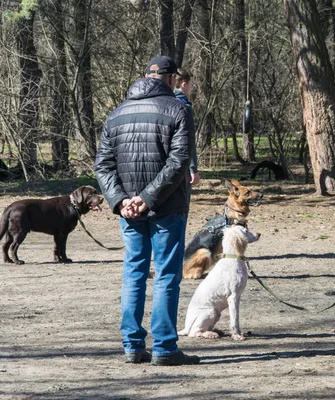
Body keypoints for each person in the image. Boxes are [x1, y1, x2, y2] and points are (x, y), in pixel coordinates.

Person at [95, 55, 200, 366]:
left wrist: (121, 200)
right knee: (167, 275)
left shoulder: (116, 113)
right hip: (166, 206)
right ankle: (165, 348)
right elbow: (179, 161)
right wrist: (147, 198)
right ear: (170, 79)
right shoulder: (179, 110)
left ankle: (132, 345)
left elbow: (103, 166)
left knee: (134, 272)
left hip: (130, 209)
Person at [174, 68, 201, 185]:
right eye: (191, 85)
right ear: (184, 85)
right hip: (181, 165)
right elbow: (189, 140)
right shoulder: (184, 107)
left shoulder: (161, 102)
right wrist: (193, 168)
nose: (191, 89)